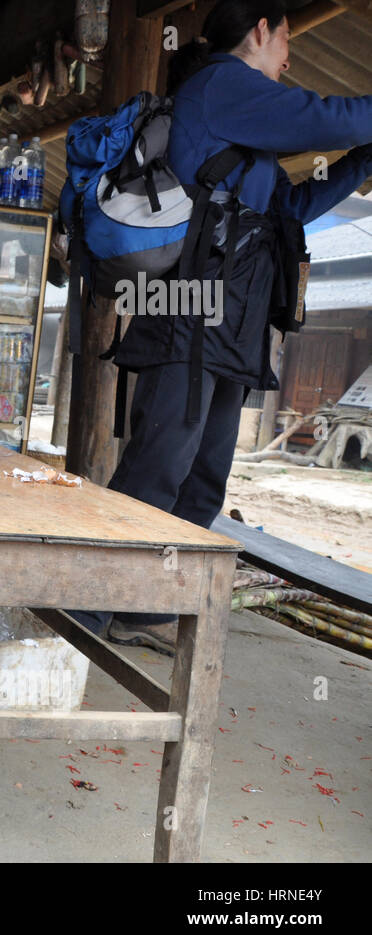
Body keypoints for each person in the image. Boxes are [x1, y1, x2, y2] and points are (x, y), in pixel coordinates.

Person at [71, 0, 372, 654]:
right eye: (286, 37)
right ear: (260, 30)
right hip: (187, 310)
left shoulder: (245, 122)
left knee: (204, 475)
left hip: (231, 325)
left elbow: (288, 204)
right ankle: (84, 610)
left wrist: (361, 163)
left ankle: (140, 608)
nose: (288, 56)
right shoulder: (222, 85)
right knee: (159, 466)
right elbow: (324, 116)